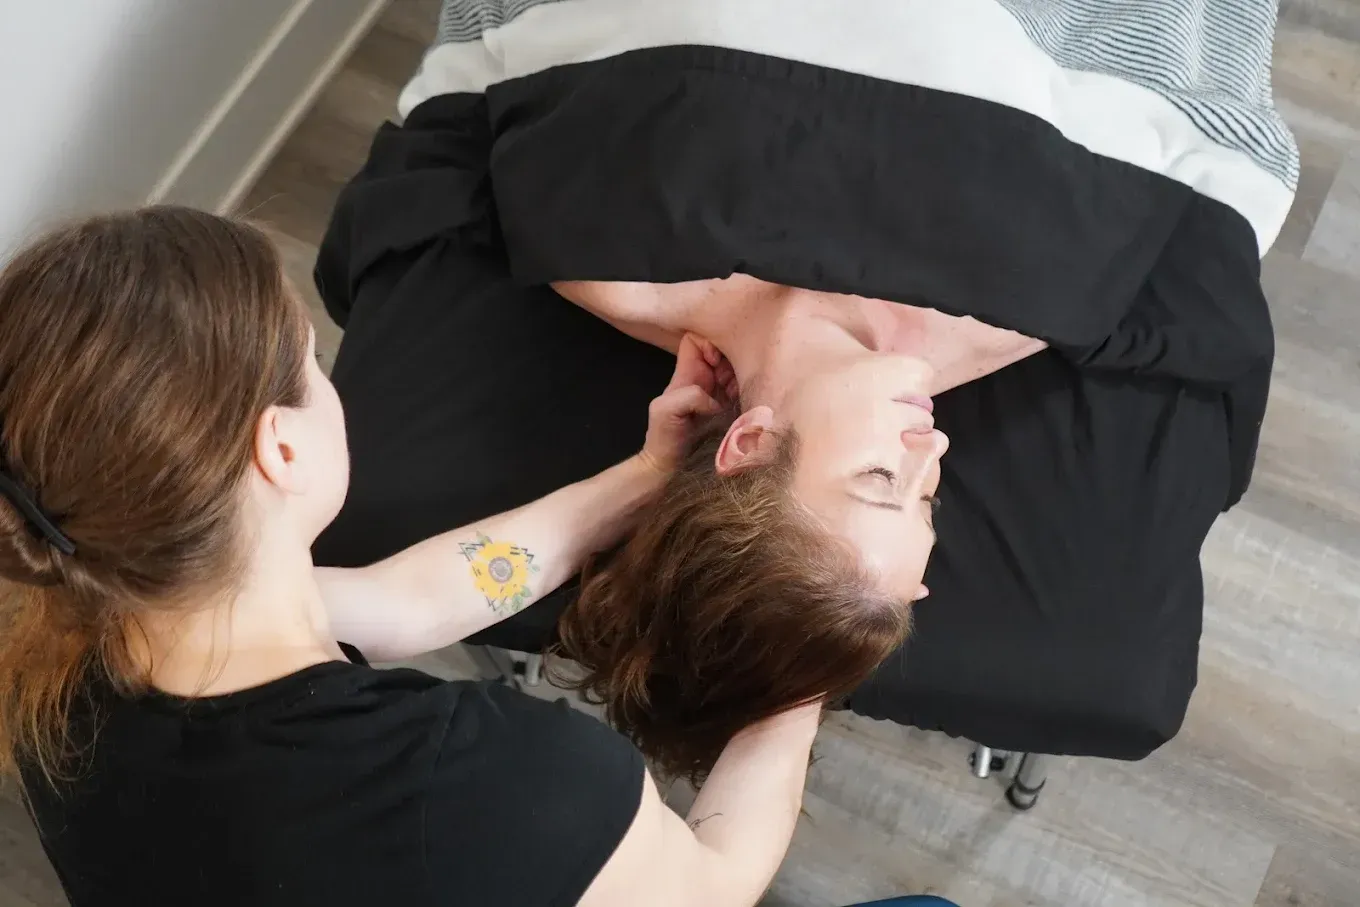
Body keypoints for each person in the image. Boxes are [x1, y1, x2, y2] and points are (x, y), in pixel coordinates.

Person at [314, 0, 1296, 774]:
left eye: (880, 478)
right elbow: (1177, 88)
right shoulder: (1021, 314)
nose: (934, 448)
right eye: (929, 497)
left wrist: (643, 487)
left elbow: (513, 33)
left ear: (745, 442)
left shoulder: (604, 256)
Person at [0, 206, 841, 907]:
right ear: (281, 450)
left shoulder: (69, 679)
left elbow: (408, 600)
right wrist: (808, 645)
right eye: (310, 360)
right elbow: (714, 884)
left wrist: (647, 476)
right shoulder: (495, 780)